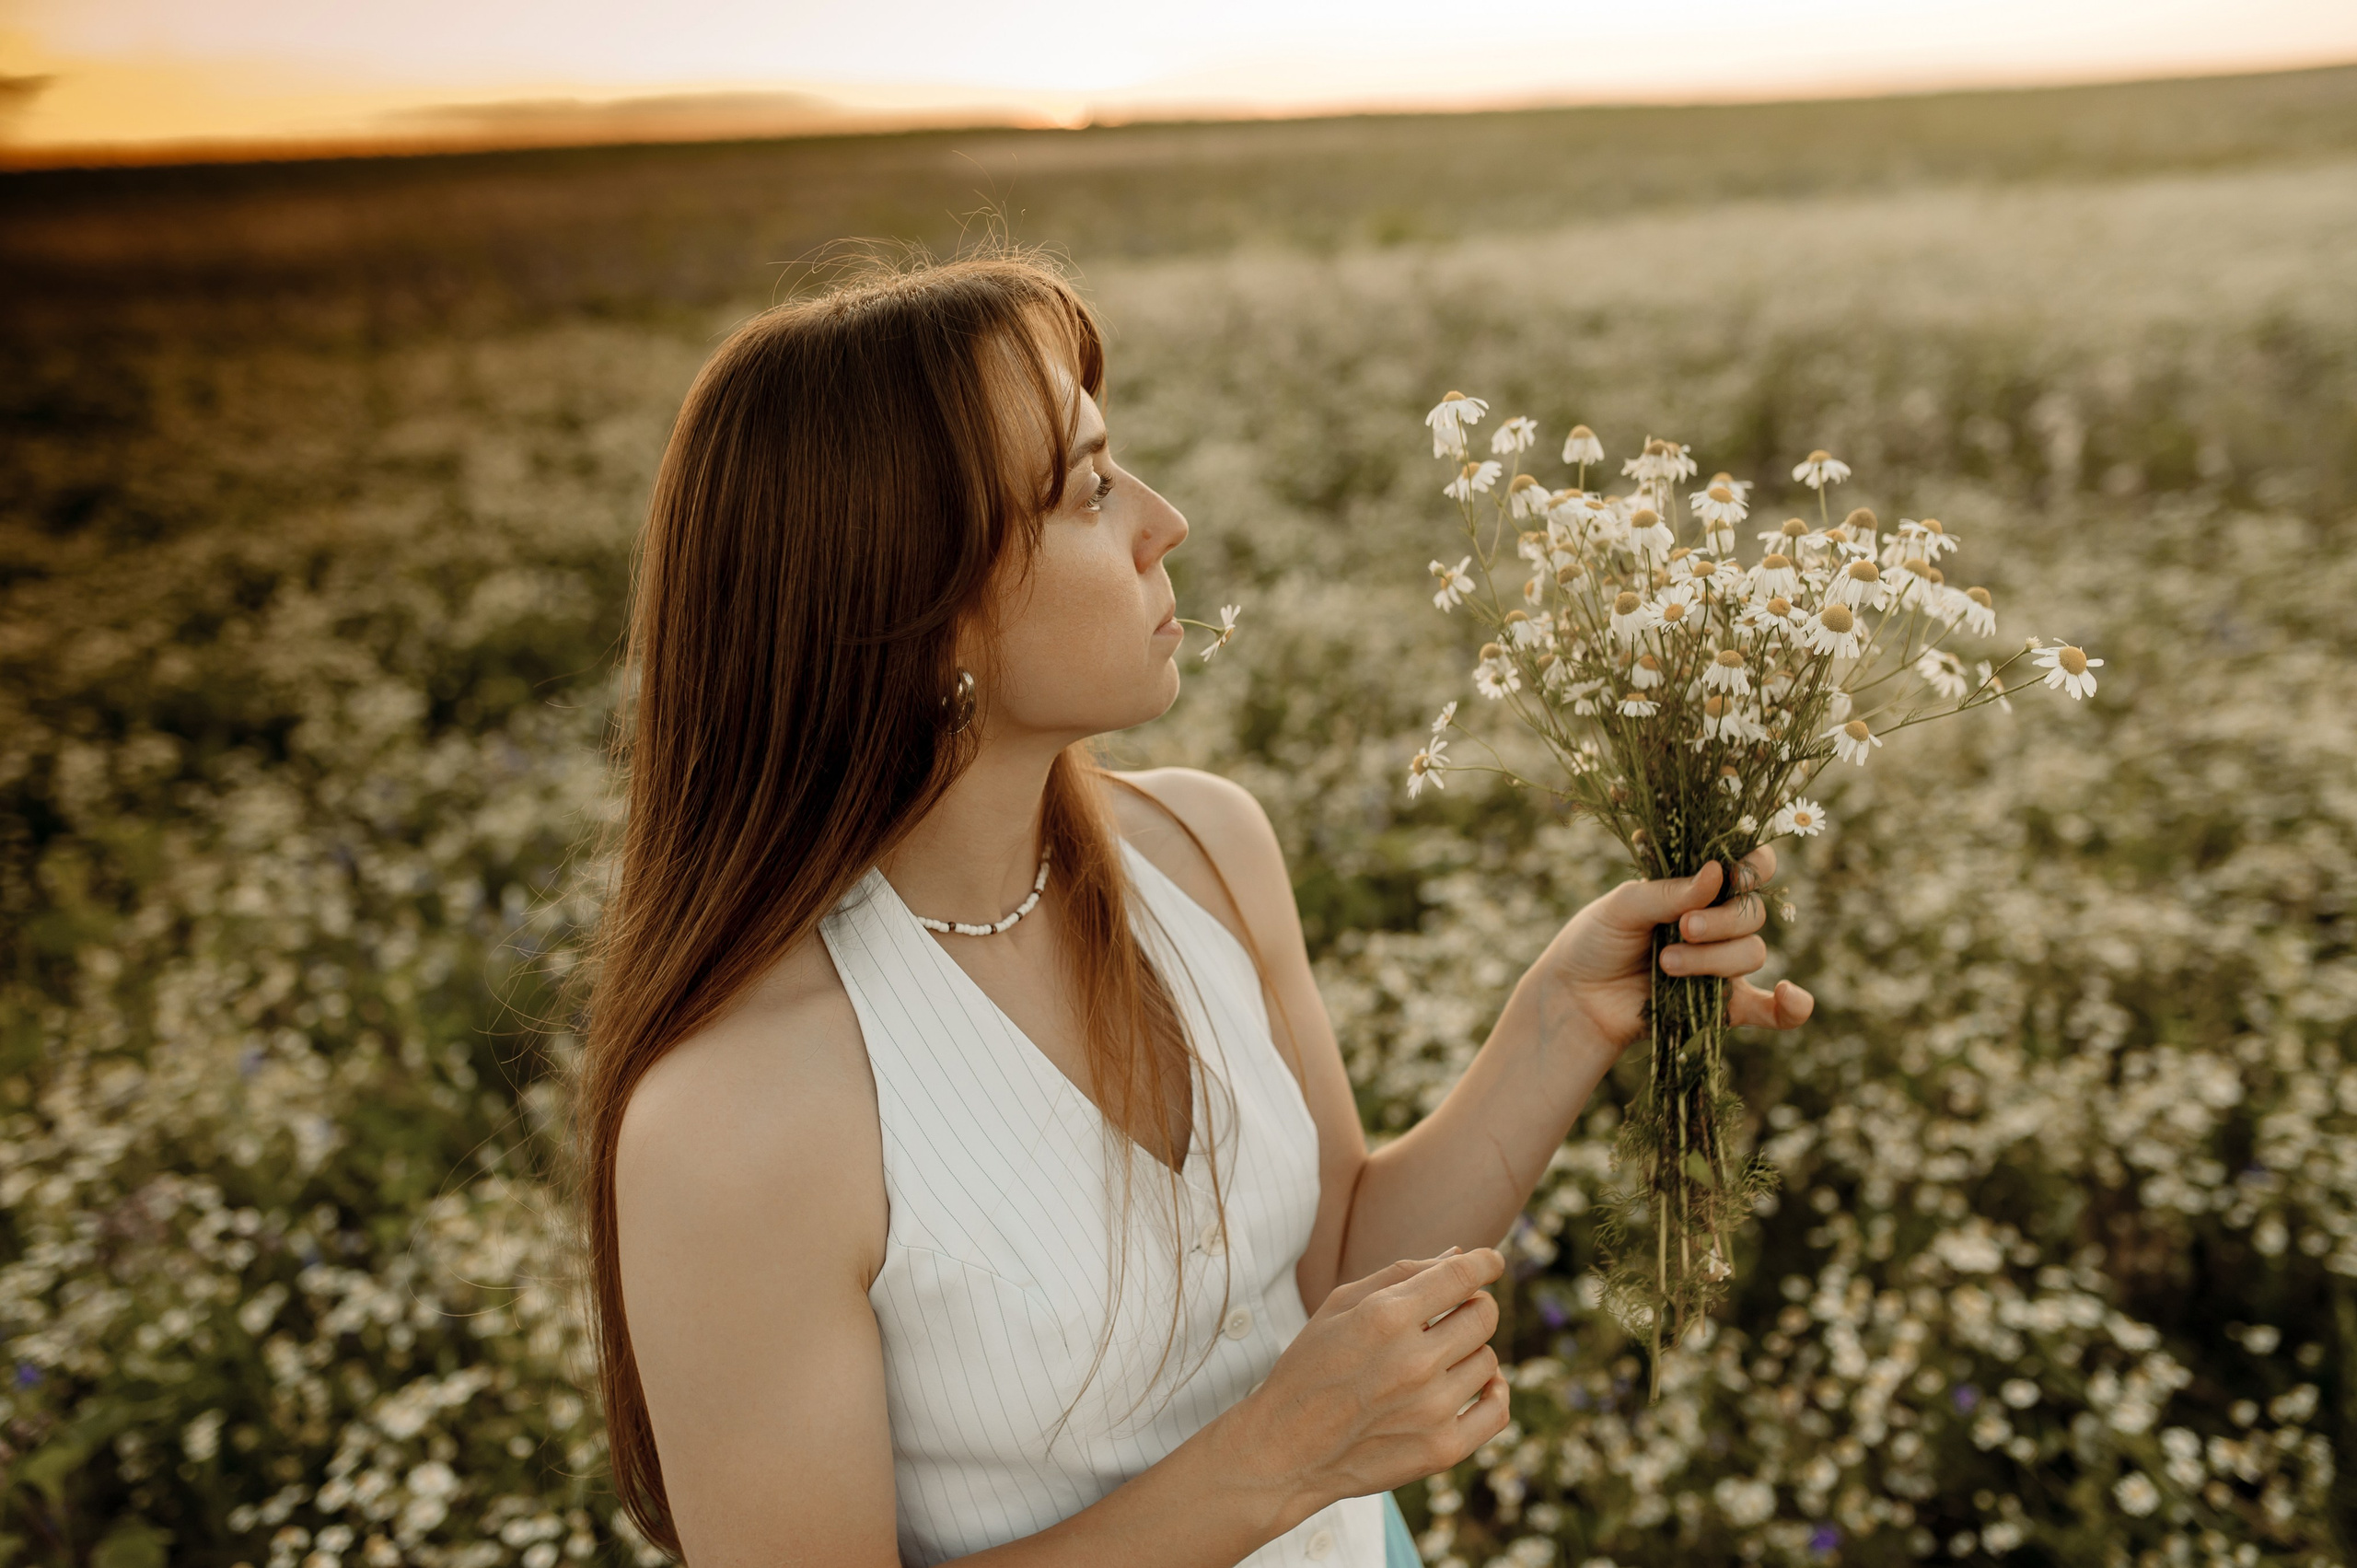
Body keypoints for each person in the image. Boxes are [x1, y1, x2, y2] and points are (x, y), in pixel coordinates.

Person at [574, 250, 1813, 1568]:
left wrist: (1566, 1018)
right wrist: (1277, 1459)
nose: (1163, 522)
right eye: (1089, 488)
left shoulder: (1204, 844)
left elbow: (1331, 1271)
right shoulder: (737, 1112)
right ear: (916, 608)